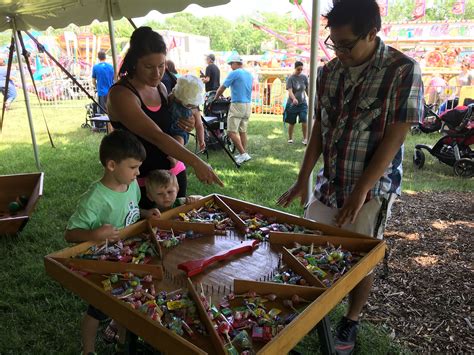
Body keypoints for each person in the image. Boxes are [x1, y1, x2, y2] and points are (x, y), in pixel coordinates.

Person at [277, 1, 423, 353]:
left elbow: (395, 136)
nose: (338, 52)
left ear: (372, 33)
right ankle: (309, 306)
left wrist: (362, 191)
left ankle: (351, 319)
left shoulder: (403, 70)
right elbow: (320, 129)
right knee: (312, 245)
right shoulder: (330, 73)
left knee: (362, 256)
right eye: (333, 44)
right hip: (330, 182)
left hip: (373, 189)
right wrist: (303, 177)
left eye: (346, 44)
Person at [65, 130, 160, 354]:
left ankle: (121, 341)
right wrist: (95, 234)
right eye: (133, 167)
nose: (138, 172)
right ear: (111, 165)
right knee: (99, 308)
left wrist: (146, 213)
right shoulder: (95, 198)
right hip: (104, 260)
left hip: (129, 254)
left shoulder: (132, 185)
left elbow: (132, 211)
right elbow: (70, 234)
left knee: (129, 301)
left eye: (139, 167)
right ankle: (88, 350)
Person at [107, 27, 222, 209]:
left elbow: (170, 125)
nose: (157, 73)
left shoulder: (160, 88)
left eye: (161, 66)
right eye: (149, 67)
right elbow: (156, 136)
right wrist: (196, 161)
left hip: (173, 178)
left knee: (177, 231)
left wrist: (186, 123)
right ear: (134, 63)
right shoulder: (121, 94)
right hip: (142, 185)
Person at [214, 54, 253, 165]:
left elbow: (222, 87)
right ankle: (243, 154)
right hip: (247, 105)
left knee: (231, 132)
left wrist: (215, 98)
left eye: (231, 64)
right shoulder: (249, 74)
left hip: (237, 105)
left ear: (236, 63)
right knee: (242, 131)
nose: (231, 66)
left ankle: (243, 154)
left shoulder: (234, 73)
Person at [169, 74, 206, 150]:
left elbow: (199, 125)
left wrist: (201, 140)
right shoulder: (173, 98)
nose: (189, 106)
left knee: (179, 140)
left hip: (179, 131)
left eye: (191, 104)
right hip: (166, 127)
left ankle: (174, 158)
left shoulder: (195, 109)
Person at [284, 61, 309, 145]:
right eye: (298, 69)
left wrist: (311, 97)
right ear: (295, 68)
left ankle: (305, 138)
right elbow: (290, 91)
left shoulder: (304, 77)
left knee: (304, 119)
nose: (300, 71)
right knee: (292, 122)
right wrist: (294, 99)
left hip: (303, 103)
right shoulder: (291, 78)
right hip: (292, 104)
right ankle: (290, 138)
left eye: (301, 69)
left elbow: (307, 89)